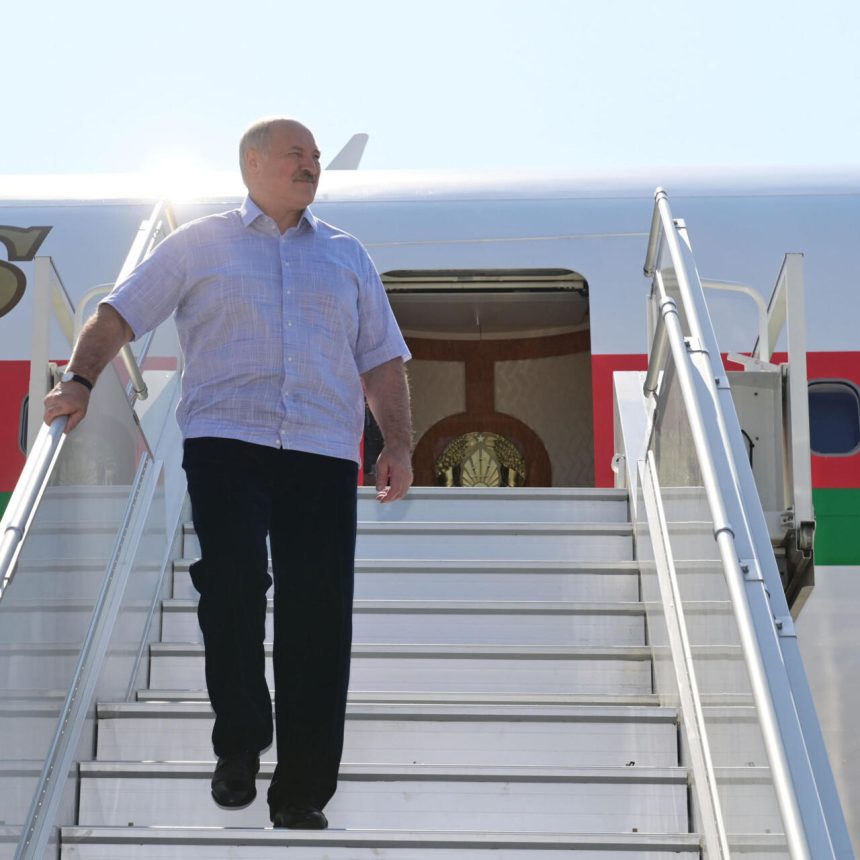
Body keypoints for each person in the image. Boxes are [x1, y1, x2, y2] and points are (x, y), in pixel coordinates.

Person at [43, 117, 413, 830]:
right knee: (233, 583)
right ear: (252, 162)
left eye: (315, 156)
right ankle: (241, 741)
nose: (310, 165)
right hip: (227, 440)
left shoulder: (347, 254)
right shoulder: (198, 244)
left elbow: (382, 359)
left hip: (323, 449)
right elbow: (117, 316)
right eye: (295, 154)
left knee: (318, 617)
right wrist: (80, 381)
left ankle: (301, 791)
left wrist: (395, 442)